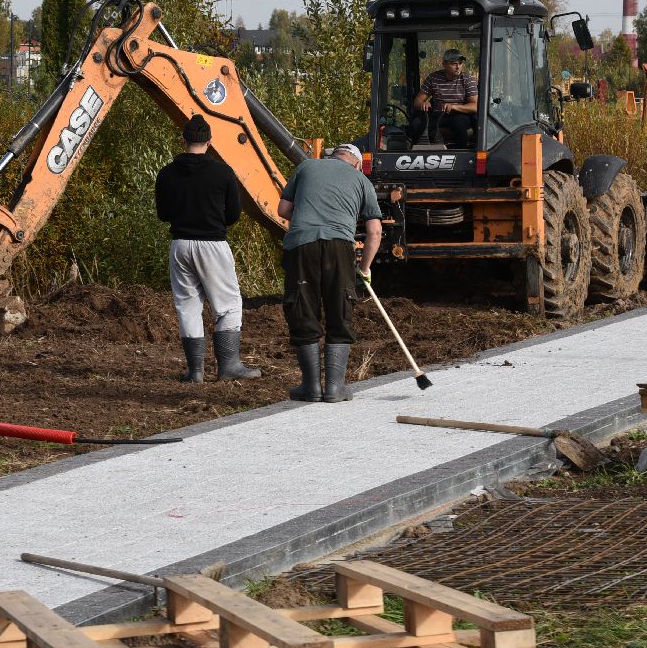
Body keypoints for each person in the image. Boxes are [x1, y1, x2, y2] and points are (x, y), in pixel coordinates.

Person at [154, 115, 260, 382]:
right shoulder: (222, 172)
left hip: (179, 244)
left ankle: (196, 371)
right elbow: (234, 213)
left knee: (187, 305)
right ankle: (228, 366)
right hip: (213, 243)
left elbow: (163, 214)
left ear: (184, 140)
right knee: (228, 304)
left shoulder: (166, 173)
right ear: (210, 142)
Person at [276, 143, 384, 402]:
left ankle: (310, 387)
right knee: (339, 309)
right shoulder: (361, 180)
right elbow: (375, 232)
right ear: (357, 163)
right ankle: (335, 388)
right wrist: (364, 268)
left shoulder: (305, 167)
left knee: (303, 309)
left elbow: (283, 210)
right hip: (339, 248)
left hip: (301, 246)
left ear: (331, 156)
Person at [410, 49, 479, 147]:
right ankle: (418, 153)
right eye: (454, 64)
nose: (458, 67)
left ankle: (460, 153)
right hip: (438, 115)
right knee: (416, 123)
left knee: (458, 123)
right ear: (444, 64)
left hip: (460, 114)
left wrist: (454, 107)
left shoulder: (468, 79)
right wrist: (423, 104)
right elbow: (417, 102)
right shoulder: (433, 78)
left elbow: (474, 106)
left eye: (460, 63)